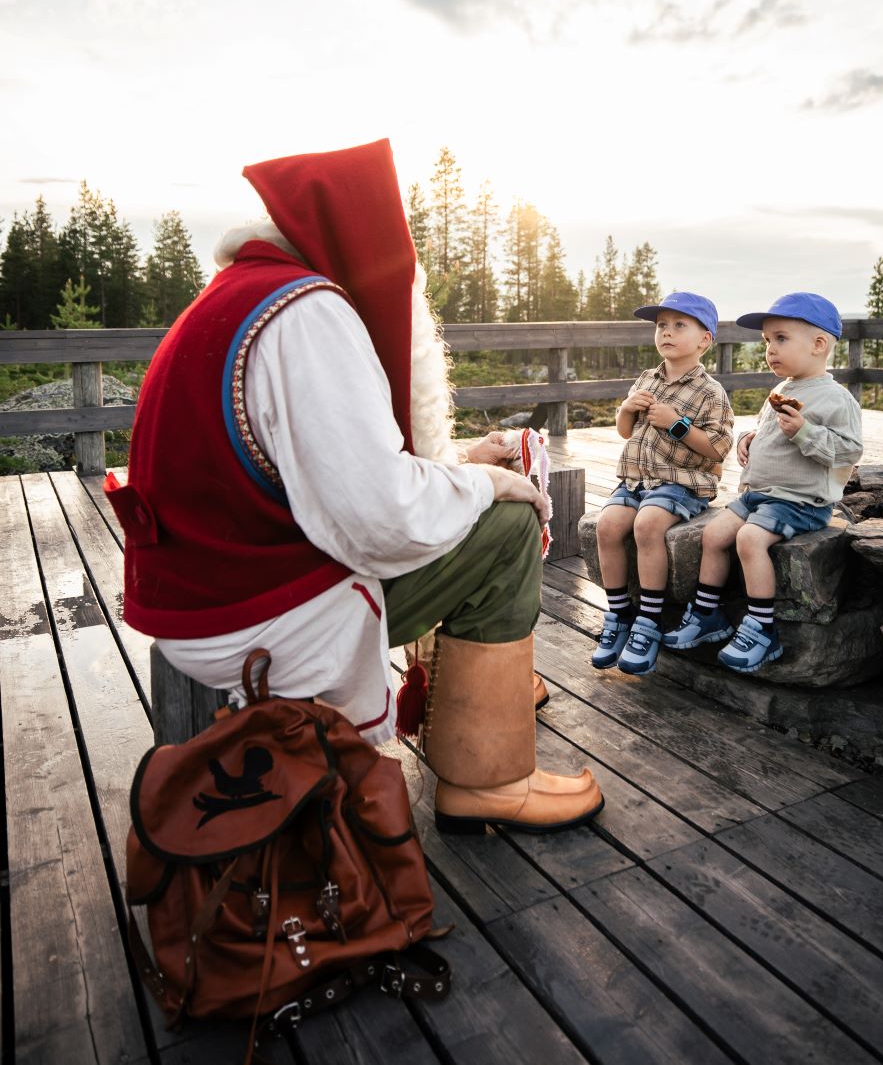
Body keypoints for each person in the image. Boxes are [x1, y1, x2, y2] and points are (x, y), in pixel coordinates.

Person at [105, 140, 603, 834]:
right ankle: (489, 776)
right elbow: (380, 518)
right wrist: (487, 485)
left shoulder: (242, 298)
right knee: (506, 530)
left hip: (201, 595)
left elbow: (318, 470)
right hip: (257, 616)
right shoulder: (309, 312)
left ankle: (477, 706)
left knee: (463, 509)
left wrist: (457, 464)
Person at [662, 292, 863, 672]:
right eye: (767, 341)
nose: (770, 349)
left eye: (781, 339)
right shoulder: (784, 389)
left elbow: (848, 452)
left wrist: (806, 433)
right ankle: (707, 615)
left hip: (801, 501)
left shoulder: (837, 399)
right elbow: (768, 430)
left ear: (819, 345)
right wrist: (748, 440)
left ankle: (762, 628)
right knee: (714, 534)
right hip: (760, 495)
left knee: (749, 540)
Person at [591, 292, 734, 676]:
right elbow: (626, 432)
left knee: (647, 525)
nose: (666, 332)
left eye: (679, 325)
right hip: (636, 479)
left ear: (705, 340)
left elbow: (718, 449)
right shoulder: (646, 380)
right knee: (607, 526)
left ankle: (649, 621)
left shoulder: (710, 392)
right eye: (661, 326)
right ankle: (620, 614)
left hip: (679, 482)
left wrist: (677, 423)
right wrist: (625, 409)